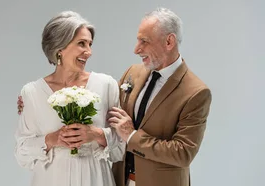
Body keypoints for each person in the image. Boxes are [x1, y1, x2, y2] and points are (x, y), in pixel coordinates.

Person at [14, 11, 125, 186]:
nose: (88, 52)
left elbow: (121, 147)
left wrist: (95, 134)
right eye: (81, 44)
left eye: (90, 44)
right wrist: (53, 139)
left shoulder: (106, 85)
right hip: (51, 179)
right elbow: (22, 153)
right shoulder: (32, 92)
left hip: (94, 178)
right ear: (60, 48)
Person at [107, 7, 212, 186]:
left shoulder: (196, 93)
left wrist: (131, 136)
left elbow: (183, 153)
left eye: (144, 41)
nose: (136, 49)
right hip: (119, 180)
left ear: (169, 41)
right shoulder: (132, 72)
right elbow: (112, 119)